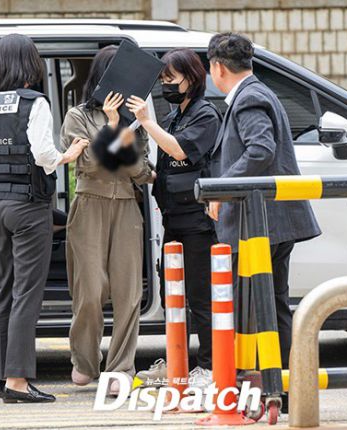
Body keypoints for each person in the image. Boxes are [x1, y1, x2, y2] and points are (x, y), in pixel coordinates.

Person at [0, 33, 88, 403]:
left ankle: (1, 378)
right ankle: (17, 381)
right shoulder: (35, 103)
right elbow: (44, 155)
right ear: (31, 65)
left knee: (3, 291)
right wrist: (69, 154)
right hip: (28, 207)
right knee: (27, 293)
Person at [206, 33, 321, 393]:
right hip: (276, 221)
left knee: (257, 308)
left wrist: (222, 188)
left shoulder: (249, 98)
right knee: (271, 304)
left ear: (217, 68)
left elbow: (260, 149)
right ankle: (281, 387)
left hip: (260, 224)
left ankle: (269, 386)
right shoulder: (259, 92)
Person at [126, 48, 222, 388]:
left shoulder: (205, 115)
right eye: (163, 79)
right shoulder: (175, 116)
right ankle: (177, 363)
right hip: (174, 219)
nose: (166, 85)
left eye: (172, 79)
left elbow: (181, 150)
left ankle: (210, 367)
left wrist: (147, 121)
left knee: (200, 297)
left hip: (198, 221)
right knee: (173, 296)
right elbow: (168, 166)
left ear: (192, 79)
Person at [61, 46, 154, 395]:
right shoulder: (78, 116)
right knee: (89, 290)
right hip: (89, 205)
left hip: (127, 206)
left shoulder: (136, 121)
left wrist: (123, 129)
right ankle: (85, 361)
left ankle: (121, 367)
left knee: (129, 292)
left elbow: (140, 170)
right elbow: (87, 163)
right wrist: (113, 128)